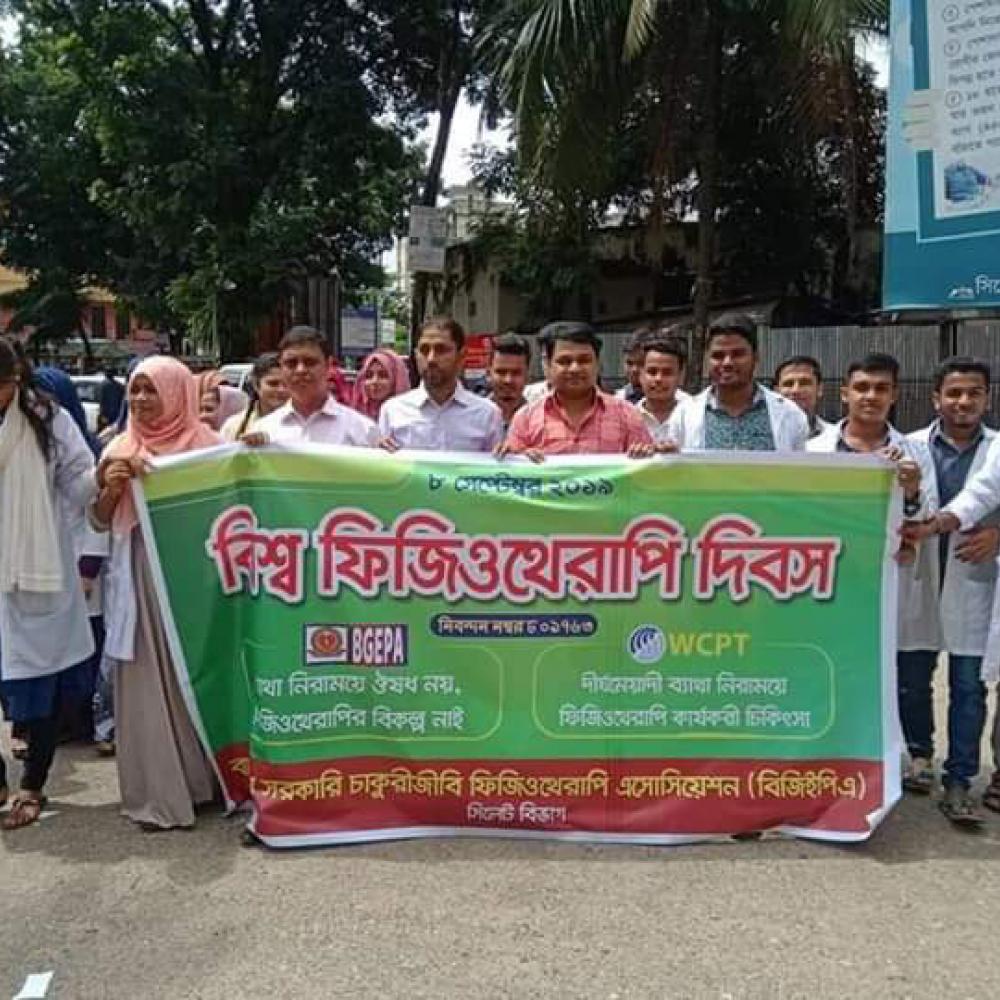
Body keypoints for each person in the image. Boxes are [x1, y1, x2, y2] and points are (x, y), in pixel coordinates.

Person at [91, 356, 221, 829]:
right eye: (136, 390)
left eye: (152, 390)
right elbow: (99, 519)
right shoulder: (118, 447)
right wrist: (110, 487)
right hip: (139, 569)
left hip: (191, 574)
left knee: (194, 672)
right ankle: (158, 791)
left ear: (176, 391)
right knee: (145, 677)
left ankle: (204, 782)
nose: (142, 400)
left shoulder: (208, 446)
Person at [891, 358, 998, 825]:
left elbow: (981, 496)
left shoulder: (998, 449)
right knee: (912, 678)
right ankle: (919, 759)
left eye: (973, 393)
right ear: (936, 398)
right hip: (917, 573)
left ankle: (960, 778)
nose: (963, 402)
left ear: (987, 399)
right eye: (954, 393)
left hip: (975, 577)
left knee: (968, 686)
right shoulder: (907, 446)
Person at [0, 339, 98, 829]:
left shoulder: (46, 417)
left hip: (33, 570)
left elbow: (82, 481)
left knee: (36, 688)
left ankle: (31, 785)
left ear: (17, 379)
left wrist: (113, 476)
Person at [499, 321, 656, 459]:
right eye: (564, 361)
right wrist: (517, 460)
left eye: (584, 360)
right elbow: (513, 481)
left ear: (598, 363)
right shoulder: (525, 419)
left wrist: (651, 456)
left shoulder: (627, 416)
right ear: (547, 364)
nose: (575, 369)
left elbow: (645, 476)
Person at [667, 313, 808, 451]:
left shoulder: (790, 415)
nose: (727, 363)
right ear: (707, 360)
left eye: (737, 354)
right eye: (718, 356)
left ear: (756, 357)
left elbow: (800, 471)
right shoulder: (684, 415)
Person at [379, 317, 503, 452]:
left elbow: (496, 470)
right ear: (416, 355)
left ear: (462, 356)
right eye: (424, 350)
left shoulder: (487, 414)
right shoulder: (393, 411)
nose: (431, 359)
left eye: (441, 350)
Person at [248, 326, 378, 447]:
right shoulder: (262, 431)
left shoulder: (363, 431)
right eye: (291, 363)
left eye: (310, 362)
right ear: (281, 368)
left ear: (328, 366)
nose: (300, 370)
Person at [635, 332, 692, 442]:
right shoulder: (627, 418)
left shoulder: (695, 417)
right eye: (652, 372)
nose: (658, 379)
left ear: (681, 376)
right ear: (641, 375)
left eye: (667, 373)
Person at [221, 353, 289, 441]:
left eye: (287, 384)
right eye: (273, 384)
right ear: (256, 385)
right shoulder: (233, 426)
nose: (281, 390)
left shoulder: (305, 425)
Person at [774, 355, 832, 439]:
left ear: (819, 389)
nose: (795, 390)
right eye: (788, 384)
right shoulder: (762, 437)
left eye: (804, 383)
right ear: (776, 392)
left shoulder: (835, 437)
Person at [351, 349, 411, 422]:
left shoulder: (411, 418)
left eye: (383, 375)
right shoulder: (355, 416)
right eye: (369, 376)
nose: (374, 381)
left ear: (397, 379)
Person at [488, 333, 531, 433]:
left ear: (528, 376)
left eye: (516, 373)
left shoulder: (541, 421)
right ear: (488, 373)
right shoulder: (472, 418)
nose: (508, 380)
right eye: (501, 372)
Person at [615, 327, 648, 404]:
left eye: (641, 364)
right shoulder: (616, 400)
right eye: (629, 363)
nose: (634, 369)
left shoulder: (678, 402)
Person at [98, 367, 125, 433]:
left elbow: (102, 401)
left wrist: (102, 414)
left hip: (106, 415)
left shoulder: (103, 385)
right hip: (117, 414)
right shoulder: (120, 386)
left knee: (104, 433)